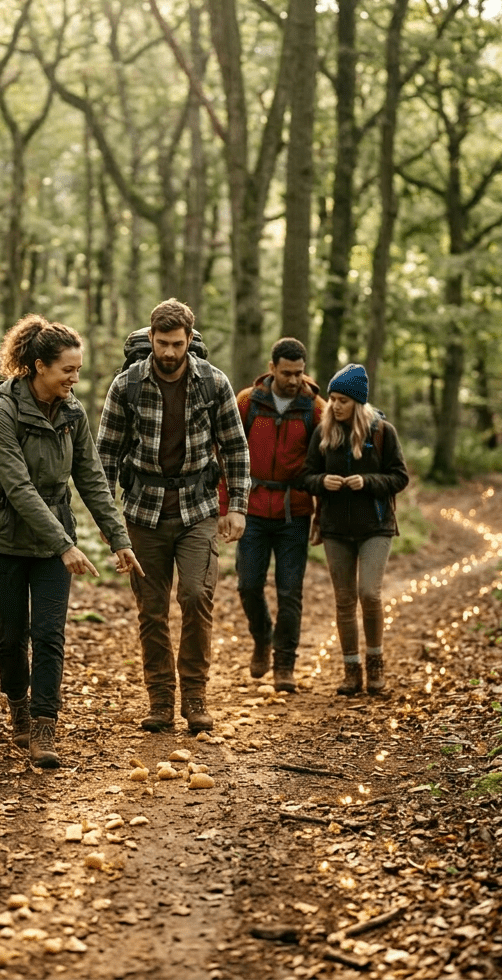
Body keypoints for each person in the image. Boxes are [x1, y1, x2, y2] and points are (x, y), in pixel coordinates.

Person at [0, 315, 143, 768]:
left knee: (49, 634)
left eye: (78, 369)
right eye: (67, 370)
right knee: (12, 638)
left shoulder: (73, 413)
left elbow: (91, 479)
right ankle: (18, 707)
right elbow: (18, 488)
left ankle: (44, 725)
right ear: (36, 367)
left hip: (53, 543)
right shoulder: (2, 412)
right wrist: (65, 544)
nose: (75, 377)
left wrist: (118, 539)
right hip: (3, 542)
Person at [97, 299, 250, 734]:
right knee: (151, 609)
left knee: (197, 597)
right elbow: (105, 455)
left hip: (198, 507)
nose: (168, 352)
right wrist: (109, 524)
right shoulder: (126, 385)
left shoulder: (213, 383)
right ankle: (161, 700)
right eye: (161, 343)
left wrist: (236, 505)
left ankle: (196, 696)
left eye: (177, 344)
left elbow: (235, 447)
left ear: (189, 340)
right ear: (150, 339)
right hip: (142, 511)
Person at [220, 338, 324, 693]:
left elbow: (324, 464)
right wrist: (226, 506)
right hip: (251, 508)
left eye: (299, 373)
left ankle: (285, 664)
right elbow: (227, 455)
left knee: (290, 591)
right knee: (248, 584)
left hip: (294, 512)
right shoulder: (248, 402)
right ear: (272, 367)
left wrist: (321, 514)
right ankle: (262, 638)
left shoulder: (316, 409)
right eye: (286, 373)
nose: (293, 380)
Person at [301, 364, 409, 696]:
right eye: (332, 399)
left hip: (376, 525)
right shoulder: (322, 433)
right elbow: (305, 475)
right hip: (335, 528)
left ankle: (376, 665)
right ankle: (351, 671)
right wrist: (322, 482)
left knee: (370, 594)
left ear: (357, 402)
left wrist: (368, 482)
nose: (335, 405)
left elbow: (399, 477)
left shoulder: (382, 432)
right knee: (344, 600)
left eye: (342, 400)